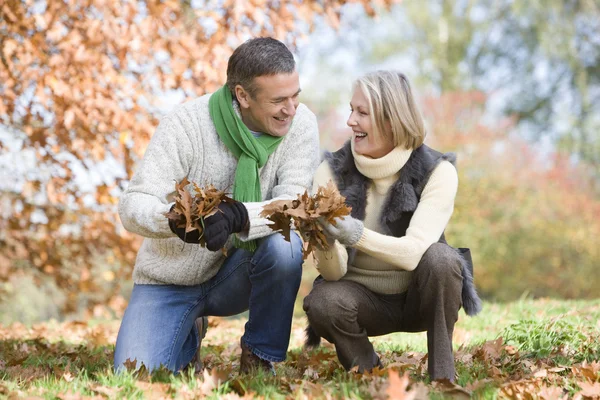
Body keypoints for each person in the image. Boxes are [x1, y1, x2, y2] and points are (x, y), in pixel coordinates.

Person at [115, 37, 320, 375]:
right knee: (137, 374)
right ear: (242, 95)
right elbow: (133, 204)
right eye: (279, 100)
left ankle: (259, 356)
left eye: (295, 96)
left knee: (286, 246)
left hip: (239, 271)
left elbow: (294, 204)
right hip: (172, 278)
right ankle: (188, 331)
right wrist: (174, 221)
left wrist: (240, 216)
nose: (291, 109)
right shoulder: (186, 124)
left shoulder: (300, 125)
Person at [302, 70, 481, 382]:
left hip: (420, 294)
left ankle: (443, 375)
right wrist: (327, 240)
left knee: (442, 259)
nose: (350, 121)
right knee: (322, 301)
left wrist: (353, 233)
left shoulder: (438, 172)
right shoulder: (330, 172)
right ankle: (369, 371)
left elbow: (414, 252)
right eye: (351, 110)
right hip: (360, 299)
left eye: (361, 112)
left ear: (390, 119)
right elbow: (334, 274)